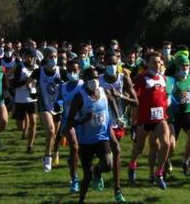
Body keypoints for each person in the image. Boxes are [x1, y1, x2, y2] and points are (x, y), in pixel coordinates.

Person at [66, 67, 114, 204]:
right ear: (85, 80)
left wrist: (118, 117)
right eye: (91, 78)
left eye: (96, 77)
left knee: (108, 164)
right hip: (86, 141)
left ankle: (97, 171)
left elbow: (111, 101)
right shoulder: (79, 97)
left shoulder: (103, 92)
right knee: (87, 176)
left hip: (101, 137)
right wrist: (83, 120)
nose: (94, 81)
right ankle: (81, 200)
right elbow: (69, 122)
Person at [128, 52, 170, 190]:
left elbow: (163, 97)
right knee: (139, 148)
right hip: (145, 119)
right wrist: (133, 121)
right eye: (154, 62)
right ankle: (132, 164)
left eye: (159, 62)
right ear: (147, 63)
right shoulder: (141, 78)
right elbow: (134, 99)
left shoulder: (163, 78)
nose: (157, 65)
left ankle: (158, 173)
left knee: (166, 143)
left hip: (160, 118)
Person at [99, 52, 137, 202]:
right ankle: (117, 190)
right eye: (108, 64)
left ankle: (97, 171)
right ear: (104, 64)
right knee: (116, 150)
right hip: (103, 122)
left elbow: (136, 102)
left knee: (110, 158)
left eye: (114, 64)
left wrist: (120, 95)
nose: (111, 67)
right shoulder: (99, 80)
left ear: (119, 64)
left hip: (119, 122)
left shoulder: (124, 79)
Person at [28, 47, 67, 172]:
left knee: (57, 134)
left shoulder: (61, 71)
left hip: (58, 105)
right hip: (44, 105)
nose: (53, 59)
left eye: (55, 57)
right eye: (51, 57)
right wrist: (33, 90)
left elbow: (72, 83)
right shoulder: (39, 72)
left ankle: (56, 150)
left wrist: (62, 83)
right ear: (45, 58)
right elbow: (29, 81)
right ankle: (47, 156)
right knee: (50, 131)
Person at [165, 55, 190, 177]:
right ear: (178, 67)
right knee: (172, 144)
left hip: (188, 113)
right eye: (183, 66)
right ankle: (166, 160)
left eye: (187, 66)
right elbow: (167, 96)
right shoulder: (171, 81)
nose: (185, 68)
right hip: (175, 115)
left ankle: (185, 162)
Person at [59, 59, 84, 193]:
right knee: (74, 146)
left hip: (83, 121)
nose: (72, 73)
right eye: (69, 71)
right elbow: (60, 99)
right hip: (68, 122)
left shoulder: (83, 85)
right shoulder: (63, 86)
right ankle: (74, 180)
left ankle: (72, 160)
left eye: (75, 70)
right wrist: (59, 103)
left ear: (79, 70)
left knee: (81, 151)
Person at [11, 48, 38, 154]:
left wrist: (36, 92)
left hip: (32, 98)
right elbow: (14, 84)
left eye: (32, 56)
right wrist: (25, 82)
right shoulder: (20, 67)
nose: (30, 58)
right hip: (20, 99)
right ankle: (22, 128)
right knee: (20, 126)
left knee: (33, 122)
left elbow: (39, 83)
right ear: (25, 57)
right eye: (28, 56)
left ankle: (30, 146)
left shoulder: (37, 68)